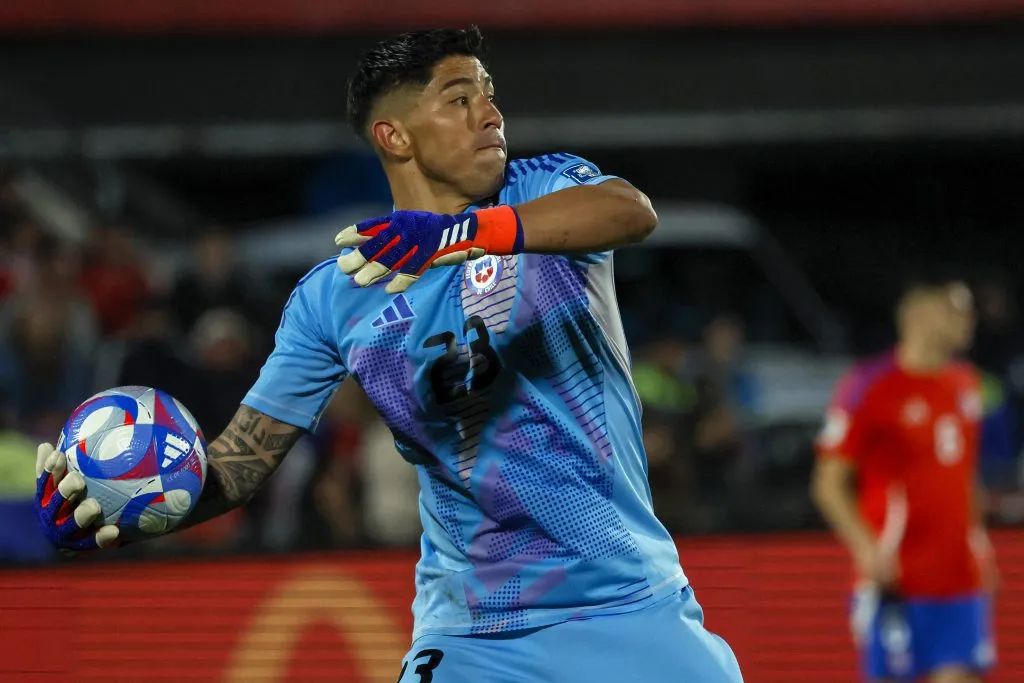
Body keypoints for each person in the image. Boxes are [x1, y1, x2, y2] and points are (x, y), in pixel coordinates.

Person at [34, 27, 742, 682]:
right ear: (393, 135)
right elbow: (241, 463)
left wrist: (462, 235)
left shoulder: (543, 189)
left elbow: (629, 210)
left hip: (630, 601)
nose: (489, 113)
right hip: (476, 634)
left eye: (489, 95)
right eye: (459, 99)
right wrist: (122, 512)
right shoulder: (333, 297)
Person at [811, 270, 998, 683]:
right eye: (957, 311)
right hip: (898, 580)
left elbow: (964, 476)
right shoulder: (868, 386)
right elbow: (828, 482)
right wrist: (865, 547)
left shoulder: (966, 384)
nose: (969, 321)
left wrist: (981, 546)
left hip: (960, 578)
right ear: (922, 316)